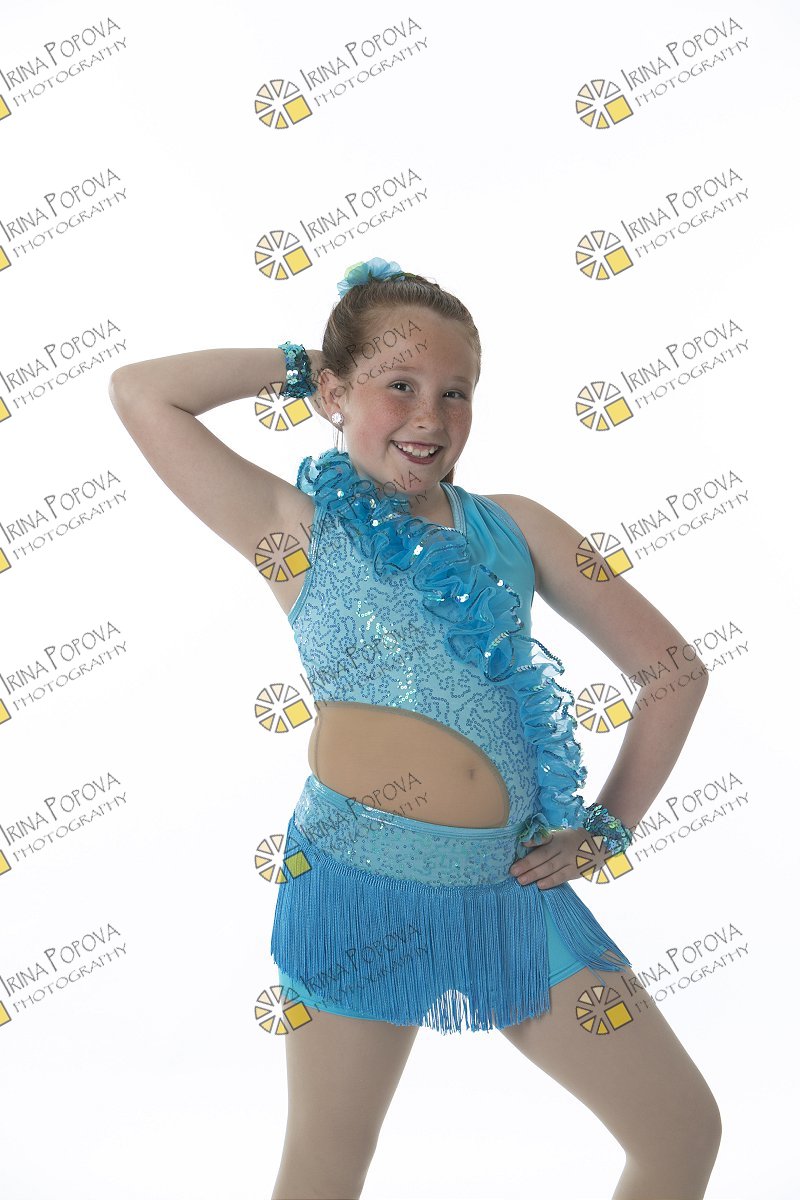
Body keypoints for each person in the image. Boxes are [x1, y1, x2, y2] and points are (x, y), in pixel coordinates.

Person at [109, 257, 722, 1200]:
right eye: (399, 385)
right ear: (334, 395)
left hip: (509, 891)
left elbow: (674, 672)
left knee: (681, 1130)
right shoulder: (293, 531)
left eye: (454, 391)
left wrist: (606, 830)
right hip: (359, 889)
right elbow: (142, 393)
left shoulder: (519, 528)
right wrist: (300, 365)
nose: (429, 416)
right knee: (328, 1161)